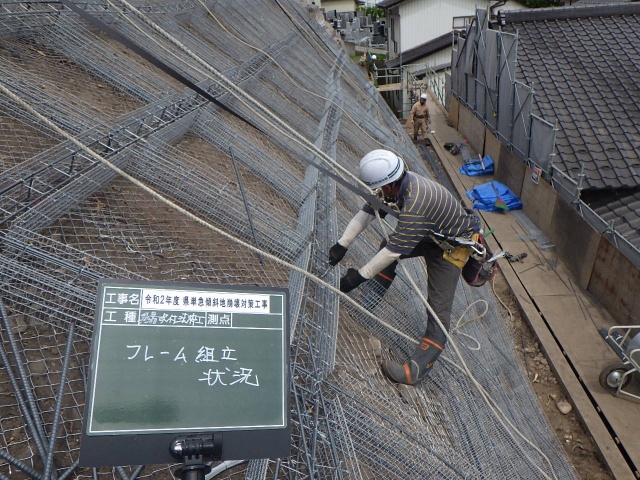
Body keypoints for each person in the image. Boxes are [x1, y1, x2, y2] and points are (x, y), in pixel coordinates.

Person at [328, 150, 482, 385]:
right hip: (431, 235)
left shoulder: (415, 203)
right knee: (385, 245)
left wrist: (356, 277)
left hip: (451, 250)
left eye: (379, 189)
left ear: (389, 186)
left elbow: (393, 251)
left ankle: (414, 372)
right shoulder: (398, 183)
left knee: (438, 312)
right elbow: (367, 212)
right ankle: (370, 299)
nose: (377, 193)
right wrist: (342, 244)